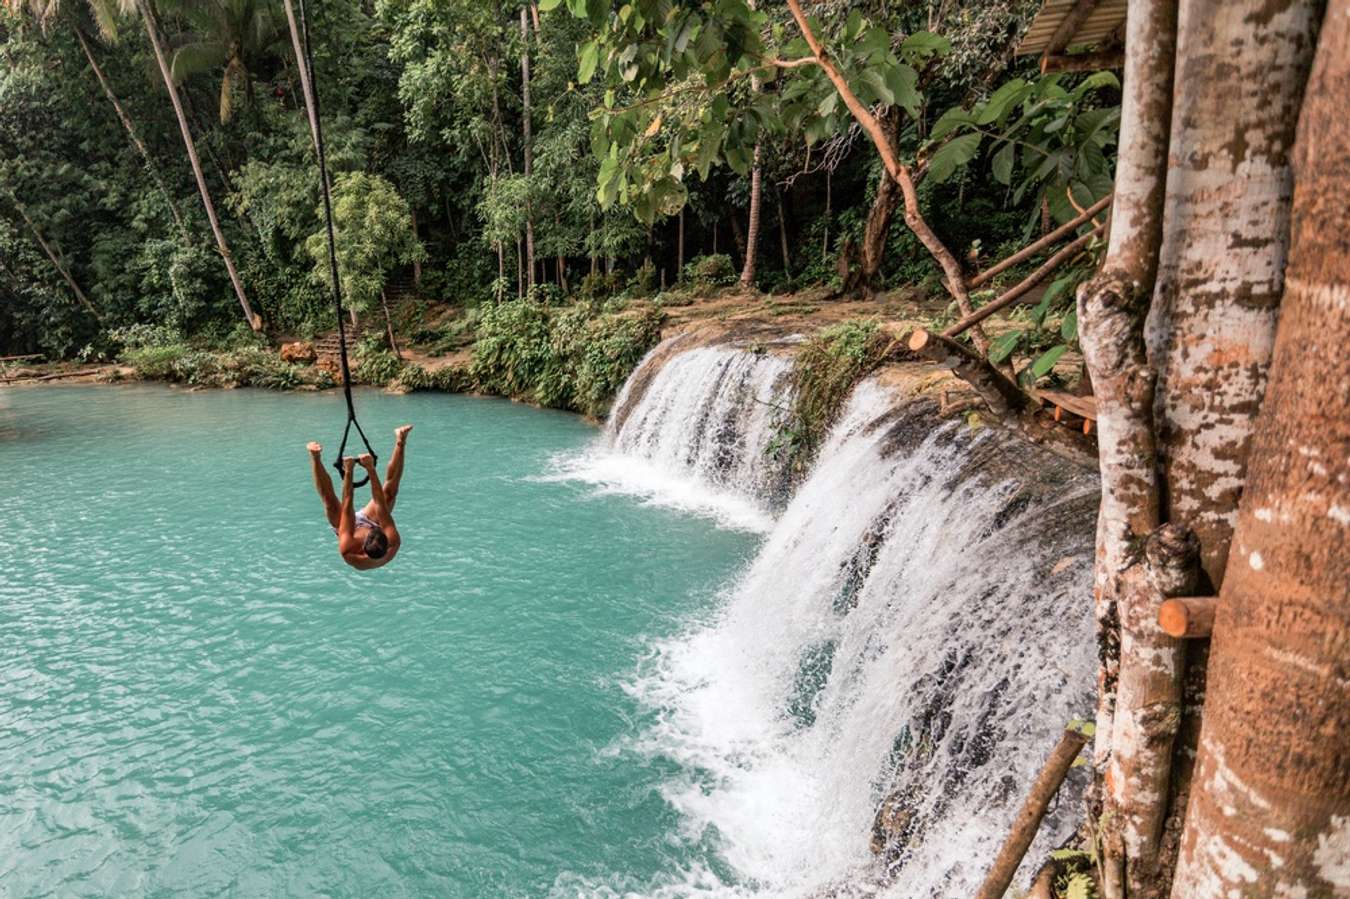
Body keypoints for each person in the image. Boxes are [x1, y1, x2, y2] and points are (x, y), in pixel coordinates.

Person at [307, 425, 412, 570]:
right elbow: (379, 502)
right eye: (375, 529)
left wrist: (348, 472)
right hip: (371, 525)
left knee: (330, 502)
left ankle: (315, 457)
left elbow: (347, 505)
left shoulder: (348, 549)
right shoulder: (393, 540)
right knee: (389, 493)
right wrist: (370, 469)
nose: (368, 529)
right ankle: (401, 440)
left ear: (362, 544)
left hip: (348, 529)